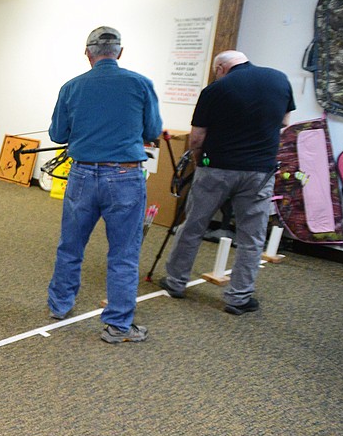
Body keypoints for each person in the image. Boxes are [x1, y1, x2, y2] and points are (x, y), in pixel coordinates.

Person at [47, 26, 163, 343]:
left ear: (88, 54)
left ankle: (59, 307)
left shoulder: (71, 87)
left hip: (82, 176)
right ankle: (118, 326)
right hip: (125, 176)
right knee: (123, 254)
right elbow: (153, 129)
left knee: (70, 246)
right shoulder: (141, 84)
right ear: (120, 53)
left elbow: (57, 134)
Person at [159, 50, 294, 315]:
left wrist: (199, 162)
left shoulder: (215, 89)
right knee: (251, 236)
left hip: (217, 168)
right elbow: (285, 121)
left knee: (193, 226)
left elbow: (197, 138)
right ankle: (239, 297)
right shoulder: (280, 80)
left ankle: (176, 282)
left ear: (221, 67)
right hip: (259, 171)